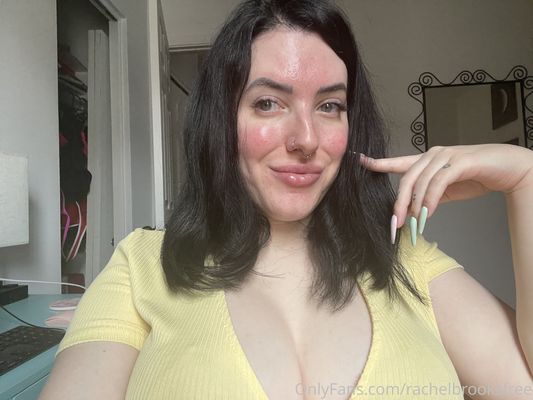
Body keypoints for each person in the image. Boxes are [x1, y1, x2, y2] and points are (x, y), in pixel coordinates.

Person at [40, 0, 533, 399]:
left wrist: (525, 180)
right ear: (221, 120)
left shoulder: (407, 259)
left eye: (330, 105)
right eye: (268, 103)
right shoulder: (140, 268)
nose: (306, 139)